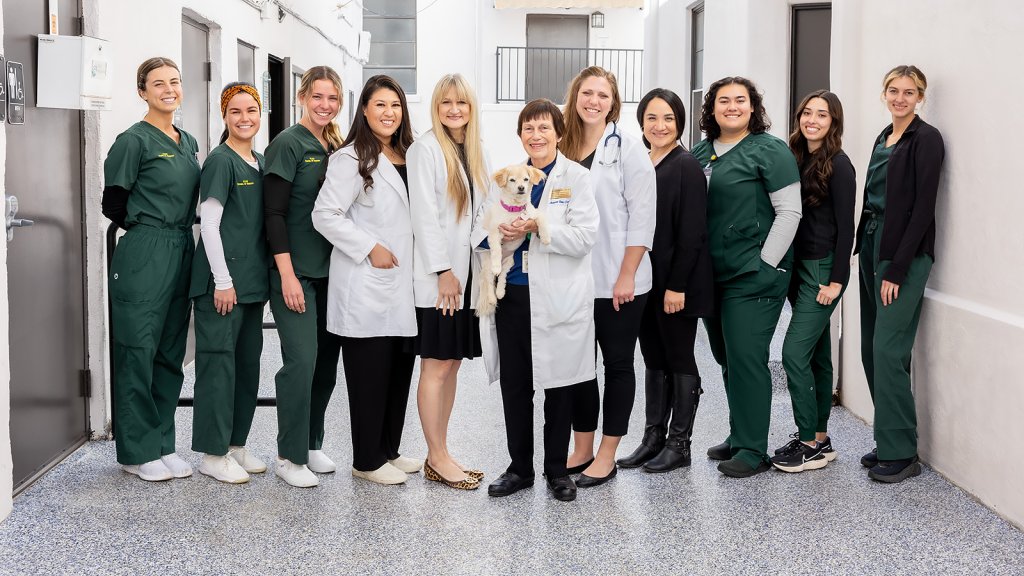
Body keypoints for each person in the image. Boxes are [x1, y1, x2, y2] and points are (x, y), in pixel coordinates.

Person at [480, 99, 599, 502]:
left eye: (544, 128)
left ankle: (556, 470)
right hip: (514, 294)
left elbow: (585, 237)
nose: (536, 136)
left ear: (559, 134)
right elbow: (481, 234)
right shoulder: (508, 180)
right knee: (516, 385)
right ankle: (519, 468)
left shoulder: (577, 178)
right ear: (520, 136)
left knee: (559, 386)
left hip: (558, 297)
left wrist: (535, 228)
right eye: (528, 129)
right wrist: (505, 233)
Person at [312, 74, 422, 486]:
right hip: (365, 283)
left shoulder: (410, 154)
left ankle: (388, 450)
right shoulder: (351, 157)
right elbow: (324, 215)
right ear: (364, 110)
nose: (388, 113)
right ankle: (366, 460)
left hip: (402, 285)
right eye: (379, 105)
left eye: (395, 105)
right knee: (370, 377)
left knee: (398, 371)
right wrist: (368, 247)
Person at [691, 76, 802, 478]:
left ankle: (754, 450)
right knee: (726, 358)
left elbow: (790, 212)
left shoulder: (770, 151)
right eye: (724, 101)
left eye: (741, 100)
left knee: (747, 359)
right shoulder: (700, 152)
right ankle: (740, 434)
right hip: (713, 275)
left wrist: (766, 264)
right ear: (712, 109)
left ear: (753, 107)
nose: (732, 107)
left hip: (753, 274)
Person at [102, 57, 200, 482]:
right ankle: (136, 450)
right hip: (146, 249)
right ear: (142, 91)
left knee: (170, 350)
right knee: (137, 348)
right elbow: (113, 203)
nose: (168, 89)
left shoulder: (189, 140)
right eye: (158, 83)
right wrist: (147, 231)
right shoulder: (133, 141)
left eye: (174, 82)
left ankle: (162, 442)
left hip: (182, 245)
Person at [558, 67, 657, 487]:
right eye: (586, 92)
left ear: (612, 102)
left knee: (617, 365)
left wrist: (627, 275)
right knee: (580, 367)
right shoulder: (560, 144)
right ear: (575, 96)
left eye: (602, 94)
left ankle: (607, 453)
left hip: (620, 278)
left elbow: (643, 216)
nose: (593, 101)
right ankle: (581, 447)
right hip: (572, 279)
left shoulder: (628, 149)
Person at [617, 88, 714, 473]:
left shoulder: (685, 165)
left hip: (677, 283)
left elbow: (693, 232)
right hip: (646, 281)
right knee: (654, 358)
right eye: (652, 118)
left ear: (680, 123)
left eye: (669, 119)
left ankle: (679, 444)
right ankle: (652, 437)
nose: (660, 126)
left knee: (678, 357)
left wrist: (677, 286)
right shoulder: (641, 162)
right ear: (641, 122)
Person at [856, 65, 944, 483]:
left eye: (910, 92)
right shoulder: (882, 136)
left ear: (920, 97)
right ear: (884, 94)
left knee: (889, 351)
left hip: (902, 258)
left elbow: (923, 207)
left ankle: (902, 452)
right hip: (872, 247)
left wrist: (897, 266)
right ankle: (889, 435)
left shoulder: (926, 139)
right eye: (894, 90)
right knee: (871, 350)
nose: (900, 98)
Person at [263, 66, 345, 488]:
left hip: (331, 272)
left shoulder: (334, 142)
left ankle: (312, 442)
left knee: (326, 365)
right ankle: (288, 455)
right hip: (294, 273)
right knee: (301, 361)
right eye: (318, 97)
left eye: (332, 98)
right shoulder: (287, 144)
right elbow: (273, 213)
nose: (325, 105)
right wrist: (288, 275)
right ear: (302, 96)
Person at [407, 74, 489, 490]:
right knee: (436, 365)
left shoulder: (473, 152)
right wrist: (442, 271)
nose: (455, 109)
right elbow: (424, 216)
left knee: (452, 364)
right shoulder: (425, 149)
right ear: (436, 109)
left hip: (466, 276)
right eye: (446, 103)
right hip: (442, 279)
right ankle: (436, 455)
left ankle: (441, 450)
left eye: (462, 103)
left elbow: (482, 209)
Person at [770, 90, 856, 474]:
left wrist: (837, 280)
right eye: (808, 112)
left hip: (822, 271)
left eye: (822, 115)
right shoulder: (794, 156)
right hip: (797, 268)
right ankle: (820, 439)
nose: (813, 120)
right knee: (818, 355)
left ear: (833, 122)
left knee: (793, 353)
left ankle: (806, 442)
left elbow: (847, 228)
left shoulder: (840, 164)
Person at [189, 82, 270, 484]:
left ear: (261, 114)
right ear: (224, 116)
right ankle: (212, 451)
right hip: (223, 286)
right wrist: (222, 279)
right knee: (219, 366)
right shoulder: (221, 161)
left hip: (251, 285)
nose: (244, 118)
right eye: (236, 111)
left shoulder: (258, 160)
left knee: (247, 366)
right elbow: (211, 224)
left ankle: (236, 444)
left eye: (251, 110)